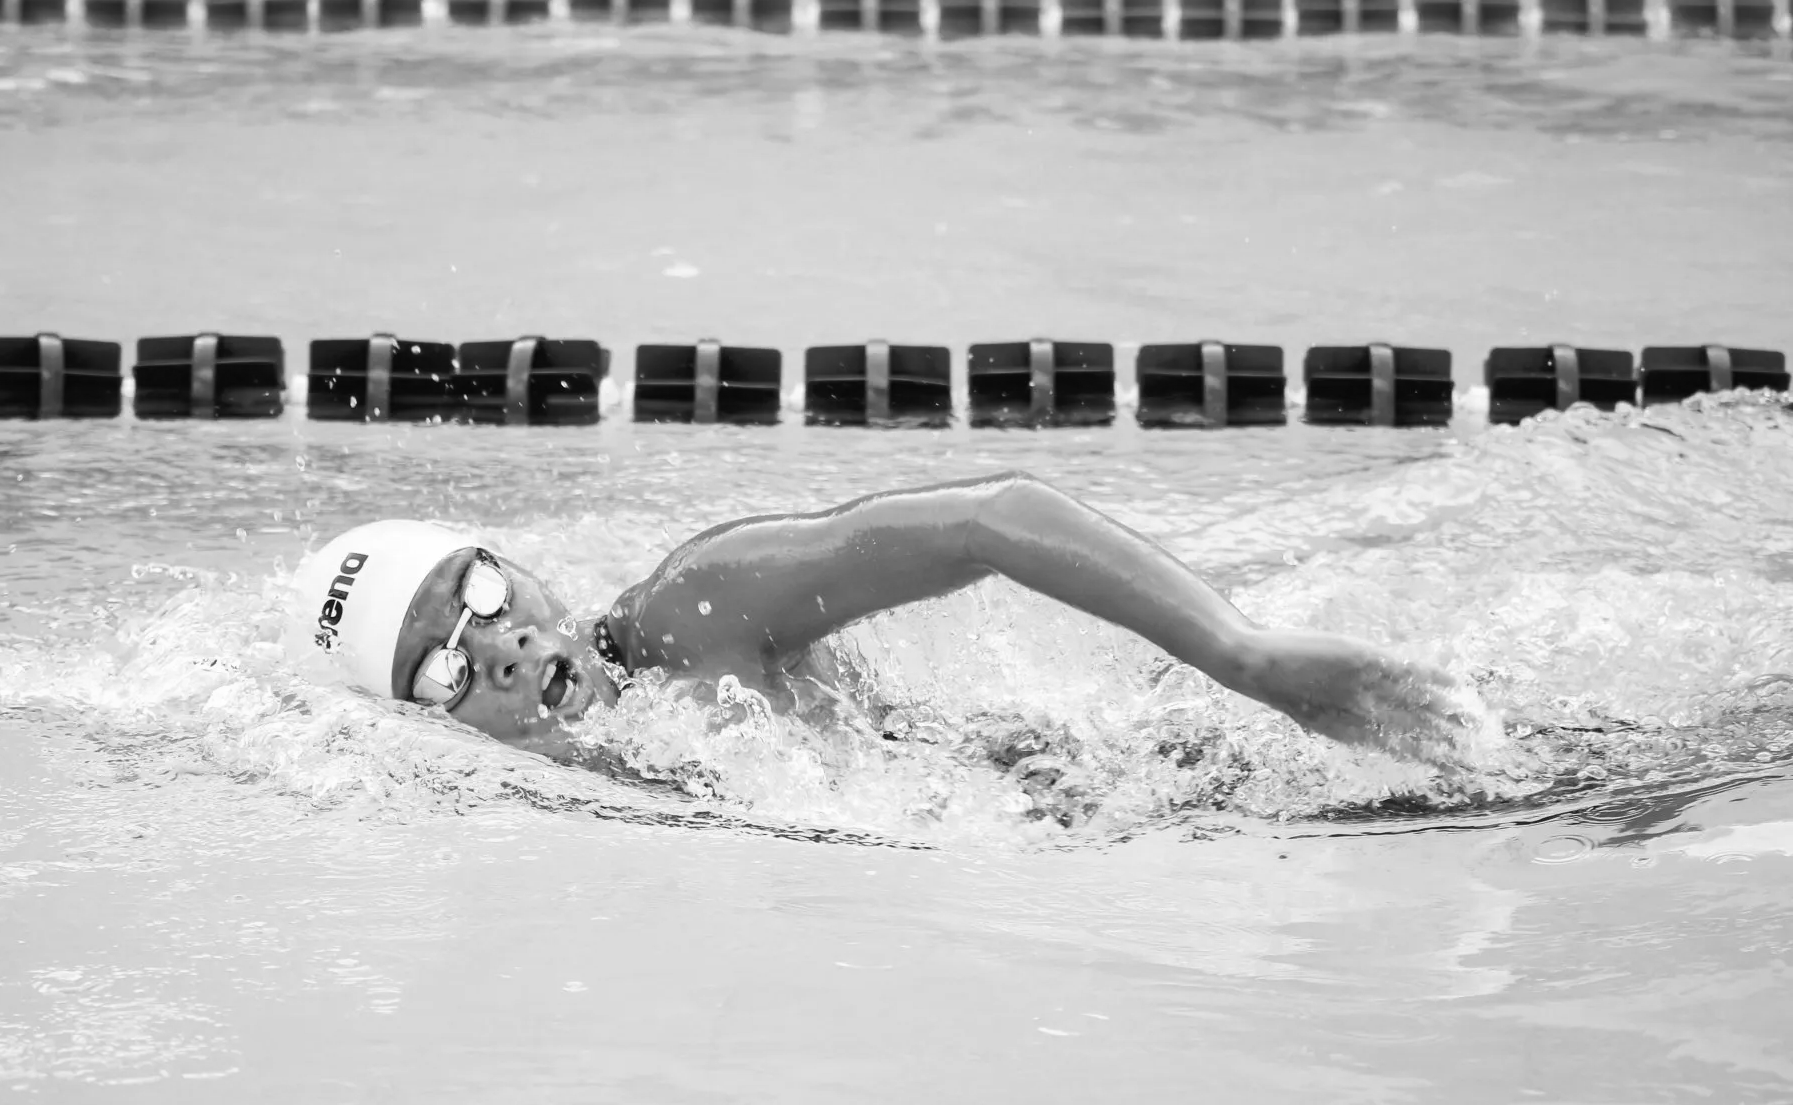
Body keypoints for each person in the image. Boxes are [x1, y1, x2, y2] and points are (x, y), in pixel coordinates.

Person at [287, 471, 1475, 762]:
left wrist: (1244, 655)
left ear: (523, 572)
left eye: (477, 596)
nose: (489, 647)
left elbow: (992, 519)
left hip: (1115, 801)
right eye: (437, 668)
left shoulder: (691, 609)